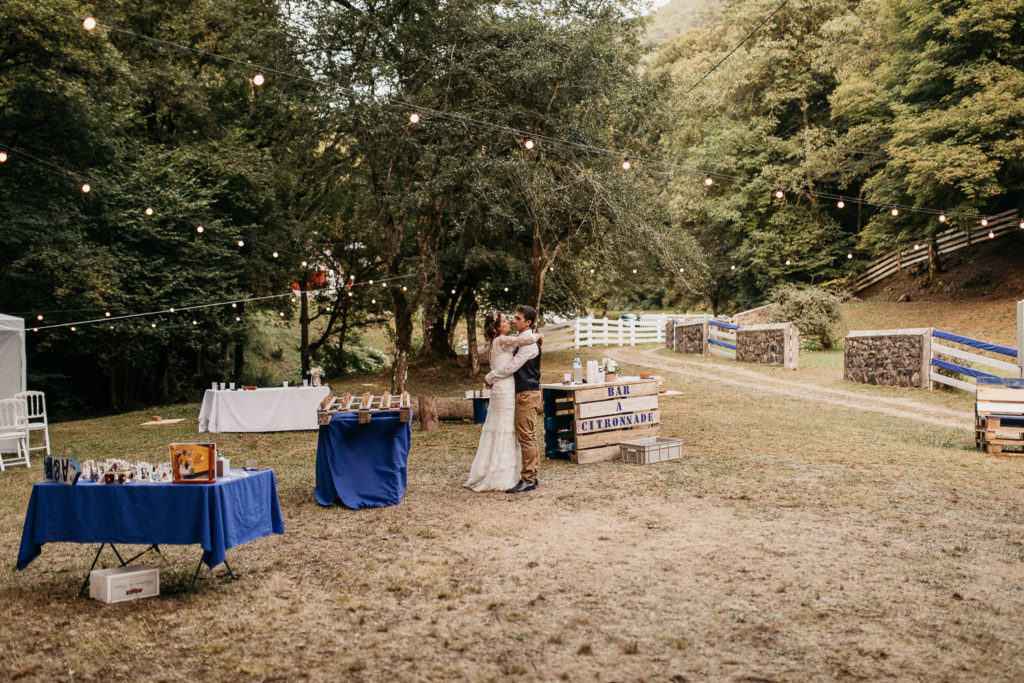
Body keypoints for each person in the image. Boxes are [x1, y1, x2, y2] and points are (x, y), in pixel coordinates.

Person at [464, 311, 541, 492]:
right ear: (497, 327)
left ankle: (521, 475)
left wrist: (490, 376)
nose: (510, 322)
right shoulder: (502, 340)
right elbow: (521, 342)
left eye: (514, 319)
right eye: (506, 320)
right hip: (505, 390)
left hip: (508, 389)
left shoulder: (500, 340)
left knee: (509, 431)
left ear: (527, 322)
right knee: (505, 430)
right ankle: (504, 474)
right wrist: (537, 335)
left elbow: (515, 361)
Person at [485, 305, 542, 494]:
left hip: (527, 393)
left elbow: (512, 366)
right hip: (521, 393)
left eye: (518, 318)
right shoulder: (521, 341)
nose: (514, 320)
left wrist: (491, 377)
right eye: (513, 318)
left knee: (527, 436)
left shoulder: (529, 345)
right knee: (524, 434)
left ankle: (529, 479)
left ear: (527, 322)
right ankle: (527, 474)